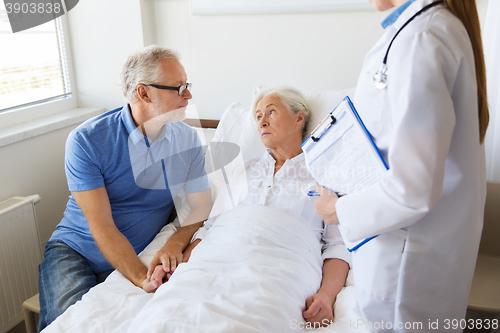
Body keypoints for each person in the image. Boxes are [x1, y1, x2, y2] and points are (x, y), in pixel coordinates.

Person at [314, 0, 488, 331]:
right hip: (419, 253)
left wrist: (339, 210)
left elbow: (414, 189)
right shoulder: (426, 29)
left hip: (406, 266)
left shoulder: (422, 38)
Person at [38, 45, 212, 331]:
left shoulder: (188, 140)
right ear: (144, 93)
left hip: (139, 250)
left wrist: (174, 242)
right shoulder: (87, 141)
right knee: (72, 325)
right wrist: (142, 277)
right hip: (77, 252)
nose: (189, 96)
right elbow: (102, 226)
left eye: (187, 86)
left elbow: (201, 205)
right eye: (178, 88)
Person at [148, 86, 352, 327]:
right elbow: (211, 227)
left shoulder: (323, 174)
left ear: (299, 118)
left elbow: (337, 245)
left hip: (281, 269)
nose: (262, 121)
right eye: (257, 116)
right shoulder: (243, 171)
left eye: (271, 112)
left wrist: (326, 296)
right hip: (216, 259)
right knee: (170, 316)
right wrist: (180, 267)